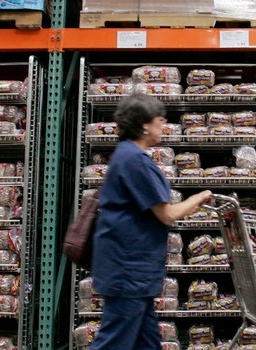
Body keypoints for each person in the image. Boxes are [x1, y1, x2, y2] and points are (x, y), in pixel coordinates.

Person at [90, 93, 212, 349]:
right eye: (160, 119)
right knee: (113, 342)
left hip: (131, 270)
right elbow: (166, 214)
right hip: (129, 271)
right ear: (145, 124)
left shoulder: (125, 155)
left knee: (147, 342)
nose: (163, 125)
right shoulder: (135, 160)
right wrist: (200, 197)